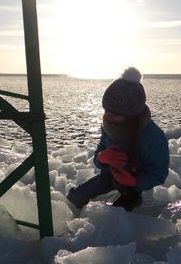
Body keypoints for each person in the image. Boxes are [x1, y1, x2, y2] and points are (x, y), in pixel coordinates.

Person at [66, 67, 169, 211]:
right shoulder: (110, 125)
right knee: (73, 199)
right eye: (106, 110)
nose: (108, 116)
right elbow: (98, 156)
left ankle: (134, 199)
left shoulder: (153, 137)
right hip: (109, 176)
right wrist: (102, 157)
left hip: (133, 184)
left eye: (115, 113)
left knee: (113, 218)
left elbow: (159, 174)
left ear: (132, 114)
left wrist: (134, 181)